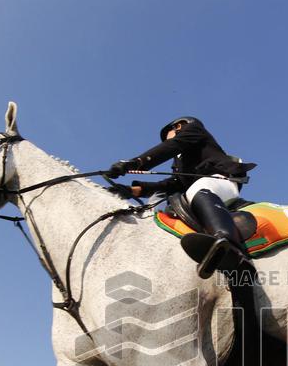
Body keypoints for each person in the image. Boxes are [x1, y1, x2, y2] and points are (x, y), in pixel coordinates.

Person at [105, 117, 257, 276]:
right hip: (198, 192)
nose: (165, 141)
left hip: (221, 180)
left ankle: (230, 248)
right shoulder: (180, 163)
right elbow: (172, 184)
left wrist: (135, 162)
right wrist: (131, 190)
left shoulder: (194, 129)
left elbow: (172, 146)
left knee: (198, 189)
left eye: (167, 136)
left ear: (179, 126)